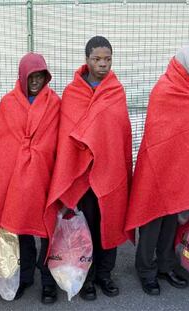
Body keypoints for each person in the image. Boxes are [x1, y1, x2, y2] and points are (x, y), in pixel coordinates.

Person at [125, 46, 189, 295]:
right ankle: (146, 269)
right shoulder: (165, 89)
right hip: (157, 168)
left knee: (171, 219)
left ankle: (165, 265)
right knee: (152, 219)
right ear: (184, 66)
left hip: (181, 168)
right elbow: (161, 132)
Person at [44, 36, 132, 301]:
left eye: (107, 59)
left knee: (111, 222)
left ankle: (105, 274)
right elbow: (68, 134)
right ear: (86, 60)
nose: (102, 64)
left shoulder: (116, 90)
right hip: (82, 175)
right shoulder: (73, 92)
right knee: (87, 227)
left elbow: (120, 132)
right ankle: (88, 277)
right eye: (97, 59)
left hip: (110, 170)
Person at [0, 52, 61, 303]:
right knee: (20, 229)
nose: (36, 81)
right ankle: (26, 276)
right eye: (31, 76)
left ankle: (49, 280)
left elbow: (58, 140)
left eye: (40, 75)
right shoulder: (8, 103)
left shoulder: (54, 102)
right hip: (16, 178)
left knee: (48, 228)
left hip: (45, 174)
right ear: (22, 76)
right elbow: (3, 145)